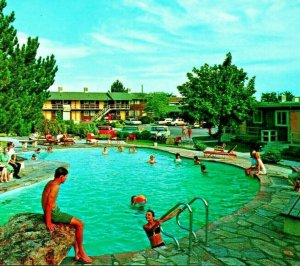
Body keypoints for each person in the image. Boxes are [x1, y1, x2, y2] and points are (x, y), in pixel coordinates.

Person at [41, 167, 93, 263]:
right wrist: (48, 222)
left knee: (73, 226)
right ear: (61, 176)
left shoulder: (50, 183)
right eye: (66, 177)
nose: (66, 179)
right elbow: (48, 204)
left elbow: (45, 201)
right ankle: (81, 252)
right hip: (54, 214)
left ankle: (77, 252)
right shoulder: (55, 187)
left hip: (51, 212)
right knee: (80, 224)